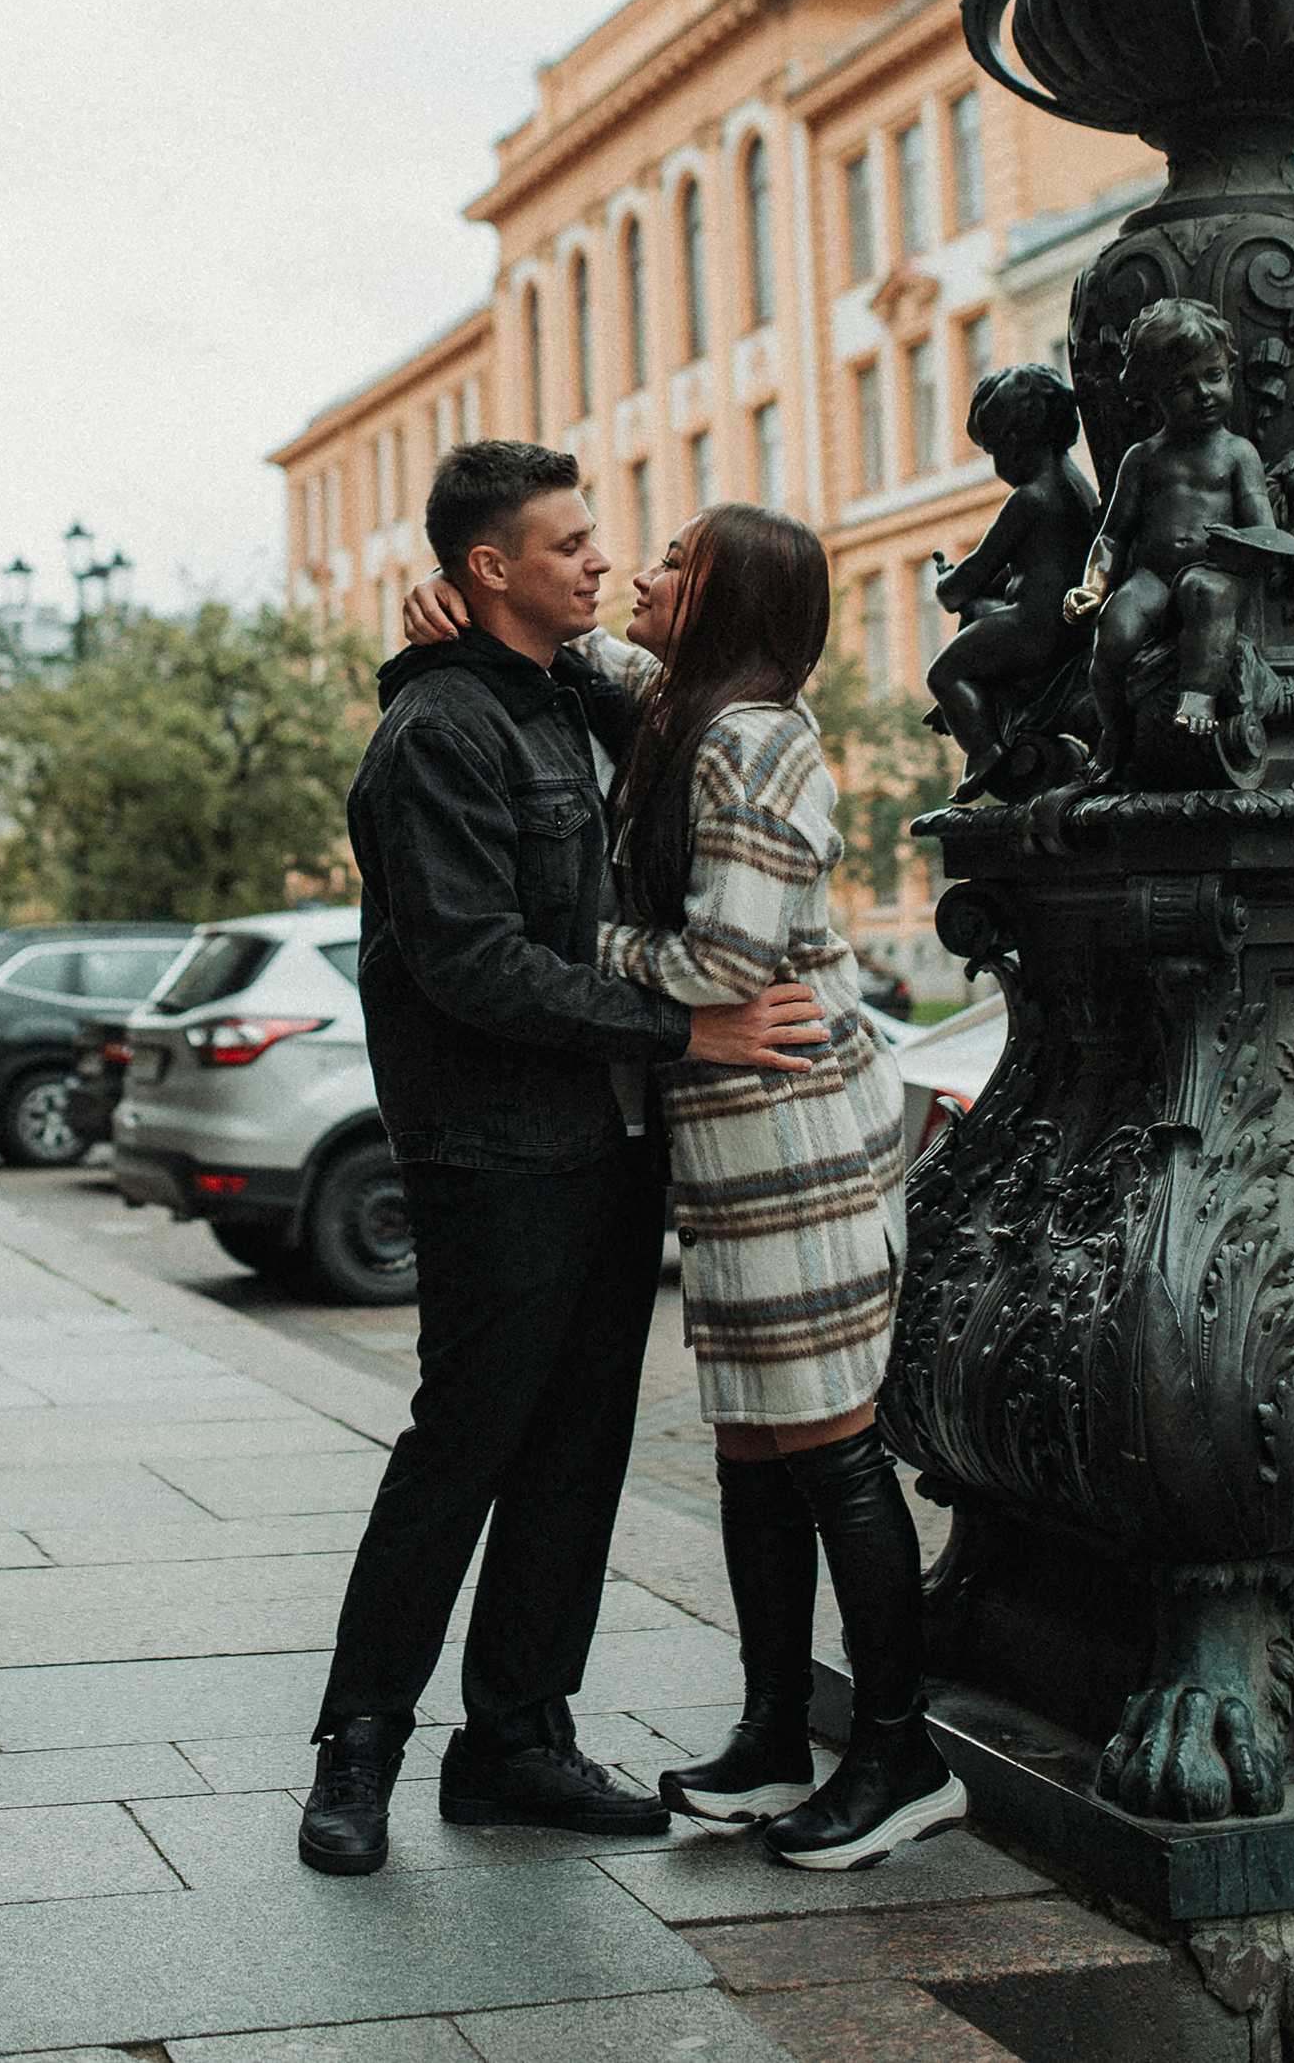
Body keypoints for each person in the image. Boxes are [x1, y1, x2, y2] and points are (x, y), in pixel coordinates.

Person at [299, 441, 830, 1880]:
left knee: (580, 1454)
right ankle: (357, 1753)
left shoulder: (585, 702)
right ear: (491, 568)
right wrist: (687, 1024)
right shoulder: (441, 736)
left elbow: (719, 700)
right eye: (572, 544)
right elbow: (472, 963)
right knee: (461, 1448)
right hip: (497, 1150)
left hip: (613, 1142)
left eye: (605, 543)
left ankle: (517, 1743)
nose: (604, 561)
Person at [409, 501, 965, 1871]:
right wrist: (447, 614)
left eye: (670, 565)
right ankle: (774, 1737)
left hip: (794, 1130)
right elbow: (587, 655)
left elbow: (729, 964)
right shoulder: (684, 710)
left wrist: (570, 946)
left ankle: (900, 1754)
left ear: (722, 605)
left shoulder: (758, 740)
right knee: (753, 1448)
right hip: (724, 1134)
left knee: (831, 1446)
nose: (637, 574)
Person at [1063, 298, 1281, 774]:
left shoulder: (1238, 455)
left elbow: (1264, 528)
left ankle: (1198, 695)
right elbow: (1113, 535)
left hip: (1215, 570)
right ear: (1151, 393)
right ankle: (1114, 735)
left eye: (1214, 376)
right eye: (1183, 385)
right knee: (1114, 633)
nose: (1203, 393)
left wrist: (1243, 547)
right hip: (1152, 577)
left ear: (1230, 372)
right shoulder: (1143, 458)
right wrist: (1094, 586)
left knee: (1205, 591)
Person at [926, 364, 1100, 802]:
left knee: (944, 672)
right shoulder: (1078, 487)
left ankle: (985, 750)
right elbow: (1040, 562)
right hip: (1068, 627)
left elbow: (974, 575)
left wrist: (947, 586)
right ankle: (975, 711)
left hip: (1035, 630)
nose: (997, 465)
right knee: (977, 616)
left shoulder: (1029, 497)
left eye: (995, 451)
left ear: (1016, 442)